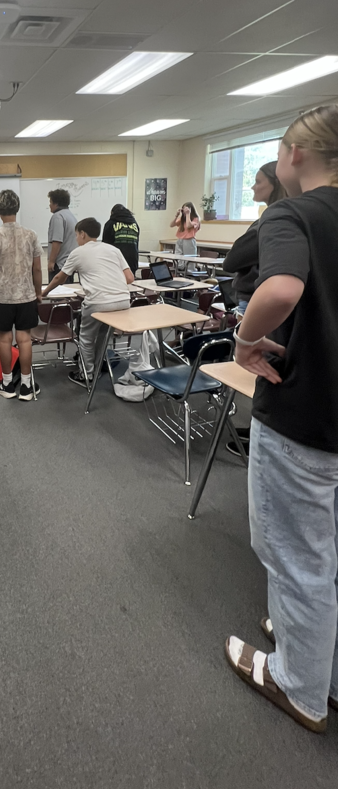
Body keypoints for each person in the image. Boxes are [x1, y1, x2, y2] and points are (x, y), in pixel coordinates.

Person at [225, 103, 338, 733]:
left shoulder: (292, 214)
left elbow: (280, 290)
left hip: (303, 414)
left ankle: (299, 685)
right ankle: (325, 669)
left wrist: (244, 338)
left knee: (295, 556)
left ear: (294, 155)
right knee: (331, 558)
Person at [43, 218, 134, 386]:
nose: (76, 239)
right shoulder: (113, 249)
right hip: (122, 301)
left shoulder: (79, 252)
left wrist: (44, 292)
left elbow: (59, 278)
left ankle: (87, 375)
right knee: (102, 335)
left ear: (82, 234)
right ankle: (97, 369)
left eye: (77, 235)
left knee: (85, 338)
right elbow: (130, 278)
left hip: (99, 302)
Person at [0, 189, 42, 402]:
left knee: (5, 340)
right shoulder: (31, 235)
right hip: (26, 295)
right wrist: (38, 292)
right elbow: (37, 269)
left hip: (2, 297)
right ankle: (26, 386)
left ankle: (6, 384)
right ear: (17, 208)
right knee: (25, 340)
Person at [223, 162, 288, 315]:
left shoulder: (271, 222)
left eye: (258, 182)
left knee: (249, 339)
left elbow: (231, 262)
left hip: (255, 299)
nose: (253, 187)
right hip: (262, 298)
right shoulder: (281, 217)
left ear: (276, 184)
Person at [46, 189, 78, 282]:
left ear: (56, 204)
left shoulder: (57, 216)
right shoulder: (71, 216)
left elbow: (57, 241)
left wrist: (51, 261)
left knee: (57, 293)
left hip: (59, 265)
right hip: (69, 263)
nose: (49, 205)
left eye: (50, 202)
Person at [102, 203, 140, 274]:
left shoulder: (110, 223)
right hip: (132, 261)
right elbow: (136, 244)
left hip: (116, 262)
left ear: (112, 213)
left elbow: (105, 245)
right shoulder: (134, 224)